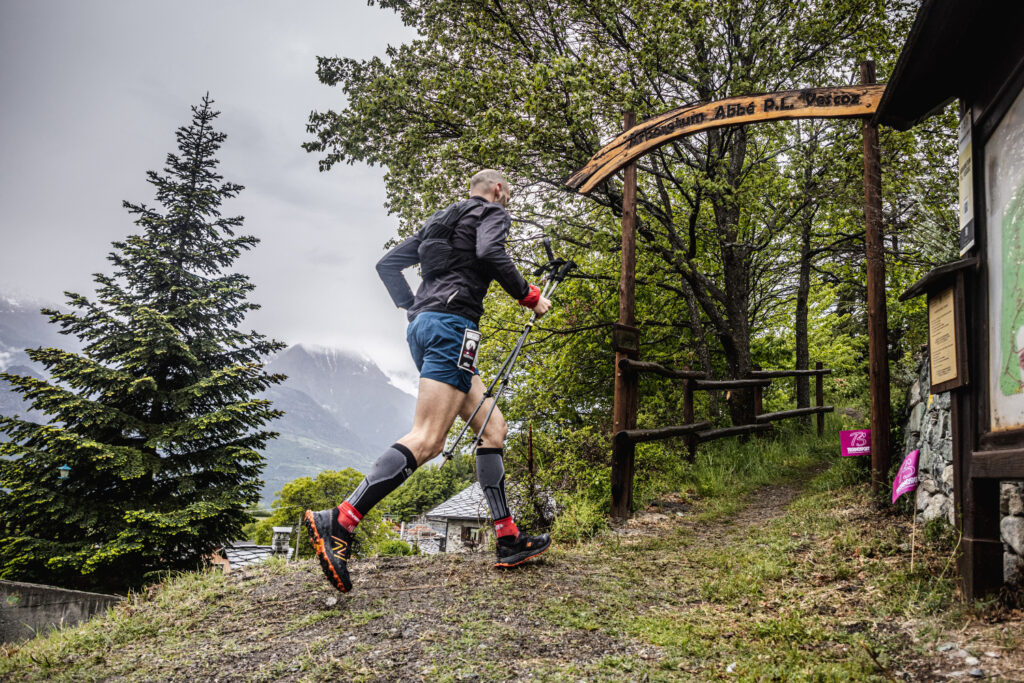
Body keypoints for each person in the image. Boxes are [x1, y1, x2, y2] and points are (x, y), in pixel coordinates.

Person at [303, 169, 553, 592]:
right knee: (429, 439)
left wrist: (413, 306)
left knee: (493, 428)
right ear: (497, 190)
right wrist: (530, 295)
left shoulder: (441, 220)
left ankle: (508, 538)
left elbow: (387, 264)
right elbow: (491, 252)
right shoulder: (491, 213)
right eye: (507, 193)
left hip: (427, 328)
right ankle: (341, 521)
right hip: (452, 329)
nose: (506, 199)